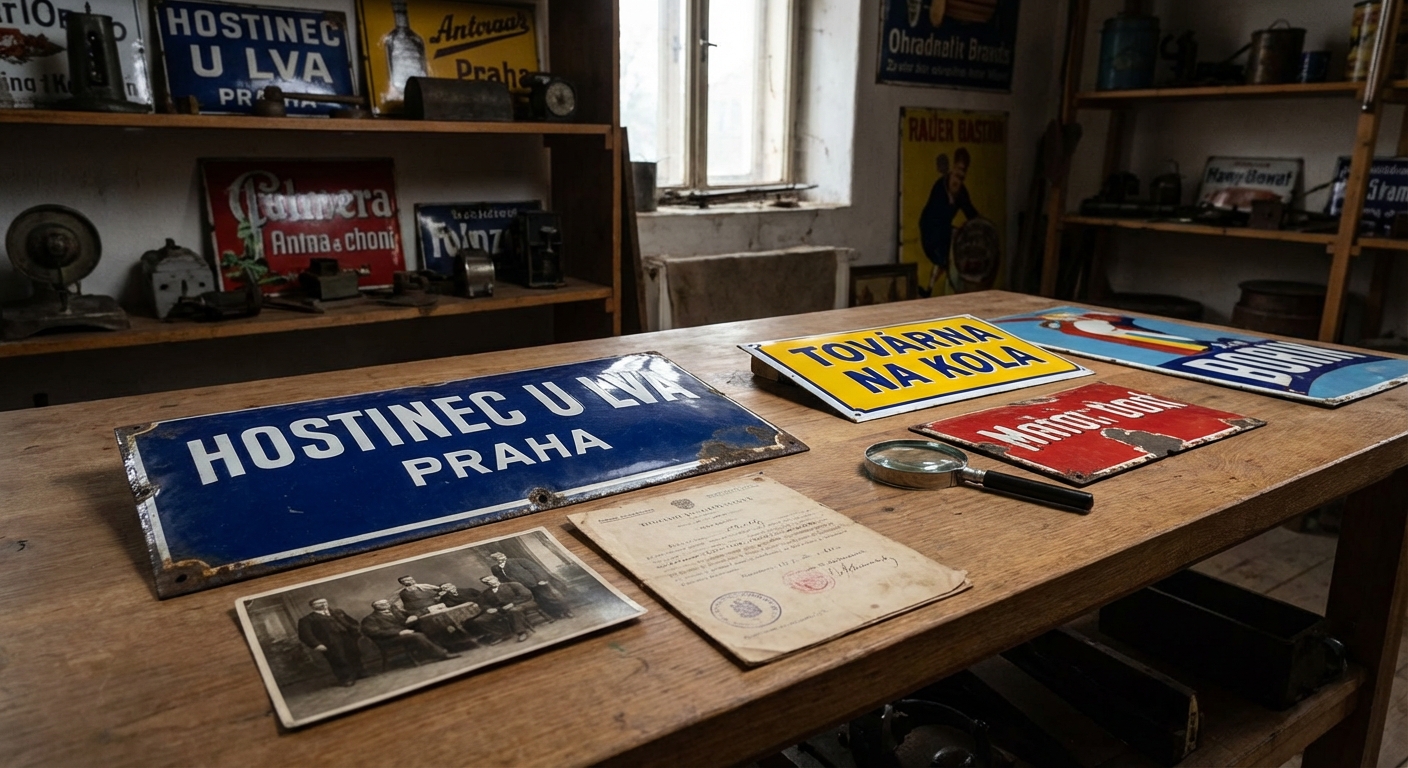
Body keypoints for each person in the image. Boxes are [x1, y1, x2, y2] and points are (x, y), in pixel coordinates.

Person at [918, 147, 980, 297]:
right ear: (953, 167)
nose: (959, 176)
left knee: (952, 257)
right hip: (930, 228)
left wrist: (979, 225)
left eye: (963, 172)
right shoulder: (940, 187)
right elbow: (935, 217)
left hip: (945, 231)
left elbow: (970, 212)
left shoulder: (961, 192)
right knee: (944, 258)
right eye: (958, 169)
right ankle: (934, 290)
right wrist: (953, 231)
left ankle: (941, 290)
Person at [359, 600, 459, 664]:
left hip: (404, 632)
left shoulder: (395, 611)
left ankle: (445, 648)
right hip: (390, 639)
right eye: (381, 604)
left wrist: (414, 616)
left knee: (428, 627)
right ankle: (442, 654)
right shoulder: (370, 619)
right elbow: (373, 632)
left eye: (386, 602)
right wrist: (398, 632)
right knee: (417, 636)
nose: (385, 604)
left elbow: (412, 613)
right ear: (375, 607)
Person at [297, 598, 364, 687]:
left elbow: (351, 623)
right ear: (312, 606)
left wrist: (355, 632)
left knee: (354, 655)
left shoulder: (337, 614)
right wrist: (316, 644)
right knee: (338, 659)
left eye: (324, 602)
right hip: (330, 642)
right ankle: (346, 679)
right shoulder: (307, 619)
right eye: (319, 603)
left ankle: (360, 673)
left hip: (347, 638)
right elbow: (305, 634)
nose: (323, 604)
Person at [489, 551, 573, 619]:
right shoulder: (496, 568)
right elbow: (500, 579)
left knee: (549, 597)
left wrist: (540, 579)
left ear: (504, 555)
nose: (500, 558)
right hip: (521, 588)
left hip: (535, 583)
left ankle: (566, 611)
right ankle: (556, 614)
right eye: (497, 558)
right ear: (495, 560)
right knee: (539, 601)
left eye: (501, 555)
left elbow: (535, 569)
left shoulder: (519, 560)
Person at [477, 575, 535, 642]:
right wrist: (488, 609)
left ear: (496, 578)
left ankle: (522, 632)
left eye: (490, 579)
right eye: (486, 582)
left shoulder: (512, 585)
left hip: (522, 604)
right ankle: (501, 634)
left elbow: (526, 595)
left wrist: (513, 603)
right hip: (500, 609)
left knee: (514, 610)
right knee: (480, 620)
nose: (489, 582)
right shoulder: (486, 593)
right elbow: (483, 604)